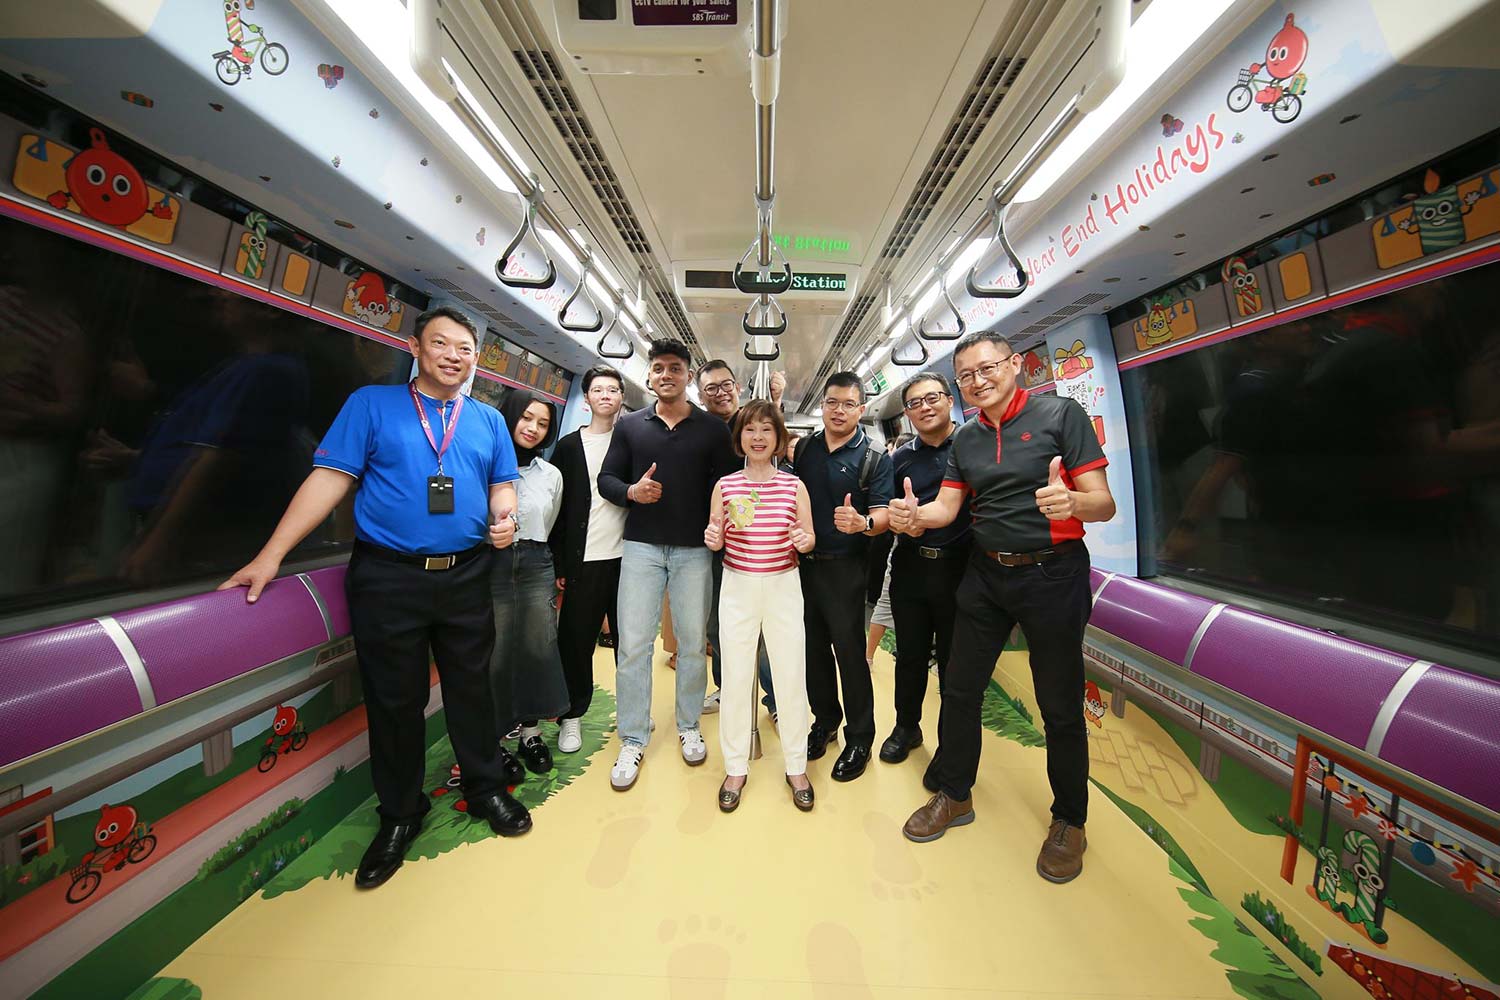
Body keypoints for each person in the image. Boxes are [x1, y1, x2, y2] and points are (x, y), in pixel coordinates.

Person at [219, 306, 530, 892]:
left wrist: (505, 515)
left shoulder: (487, 419)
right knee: (394, 701)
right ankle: (400, 815)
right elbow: (330, 478)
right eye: (441, 343)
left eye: (464, 348)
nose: (453, 355)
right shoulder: (371, 405)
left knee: (471, 688)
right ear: (415, 347)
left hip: (466, 574)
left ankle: (485, 787)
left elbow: (500, 481)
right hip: (389, 577)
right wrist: (272, 555)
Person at [889, 332, 1114, 885]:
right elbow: (947, 506)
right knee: (960, 687)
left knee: (1059, 703)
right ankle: (956, 794)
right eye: (965, 375)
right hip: (986, 573)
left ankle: (1069, 821)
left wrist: (1073, 501)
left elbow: (1103, 502)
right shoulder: (965, 439)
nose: (977, 380)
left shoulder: (1061, 416)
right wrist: (917, 519)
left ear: (1014, 365)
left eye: (986, 368)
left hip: (1052, 573)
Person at [598, 339, 738, 790]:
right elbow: (607, 479)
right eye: (658, 368)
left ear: (688, 376)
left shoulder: (712, 431)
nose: (665, 375)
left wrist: (720, 525)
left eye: (674, 368)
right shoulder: (630, 427)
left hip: (695, 550)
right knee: (634, 645)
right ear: (649, 376)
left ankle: (688, 724)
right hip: (640, 548)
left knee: (694, 643)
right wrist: (631, 493)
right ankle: (634, 737)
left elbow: (727, 485)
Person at [702, 400, 816, 813]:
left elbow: (808, 535)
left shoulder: (794, 485)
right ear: (740, 439)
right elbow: (716, 534)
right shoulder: (726, 486)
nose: (758, 438)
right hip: (738, 584)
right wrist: (713, 539)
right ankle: (735, 767)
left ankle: (796, 765)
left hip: (784, 584)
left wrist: (805, 541)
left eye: (766, 430)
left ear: (778, 438)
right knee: (734, 675)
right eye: (750, 430)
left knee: (790, 673)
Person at [792, 372, 894, 782]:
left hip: (846, 569)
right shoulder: (806, 448)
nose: (839, 411)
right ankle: (825, 722)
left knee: (849, 654)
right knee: (811, 650)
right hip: (802, 566)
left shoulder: (873, 455)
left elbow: (884, 515)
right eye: (832, 402)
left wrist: (863, 521)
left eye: (848, 404)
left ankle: (860, 737)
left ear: (861, 409)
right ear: (823, 404)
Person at [879, 376, 970, 767]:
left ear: (949, 401)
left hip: (962, 570)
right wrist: (899, 522)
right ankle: (906, 727)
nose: (925, 407)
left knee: (955, 663)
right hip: (912, 567)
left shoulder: (974, 445)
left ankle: (950, 746)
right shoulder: (899, 459)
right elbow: (887, 511)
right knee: (910, 655)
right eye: (915, 403)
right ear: (907, 413)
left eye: (933, 398)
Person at [696, 359, 782, 719]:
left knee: (765, 629)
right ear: (700, 395)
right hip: (717, 541)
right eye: (711, 388)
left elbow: (777, 449)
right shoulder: (697, 429)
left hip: (761, 544)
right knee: (720, 625)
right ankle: (727, 689)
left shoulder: (751, 422)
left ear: (738, 387)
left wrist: (776, 402)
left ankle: (774, 699)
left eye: (726, 384)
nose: (721, 392)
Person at [490, 388, 569, 774]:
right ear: (509, 415)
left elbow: (549, 523)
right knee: (497, 650)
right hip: (493, 563)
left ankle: (531, 733)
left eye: (542, 423)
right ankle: (496, 736)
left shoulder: (551, 474)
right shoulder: (483, 464)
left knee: (538, 646)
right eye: (527, 418)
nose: (533, 428)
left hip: (536, 560)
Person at [549, 365, 628, 754]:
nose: (606, 396)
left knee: (630, 643)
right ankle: (573, 715)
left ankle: (633, 713)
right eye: (598, 389)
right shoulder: (567, 447)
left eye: (613, 389)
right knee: (575, 642)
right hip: (586, 560)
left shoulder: (632, 441)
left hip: (629, 559)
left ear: (621, 398)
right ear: (587, 397)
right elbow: (559, 510)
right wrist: (561, 564)